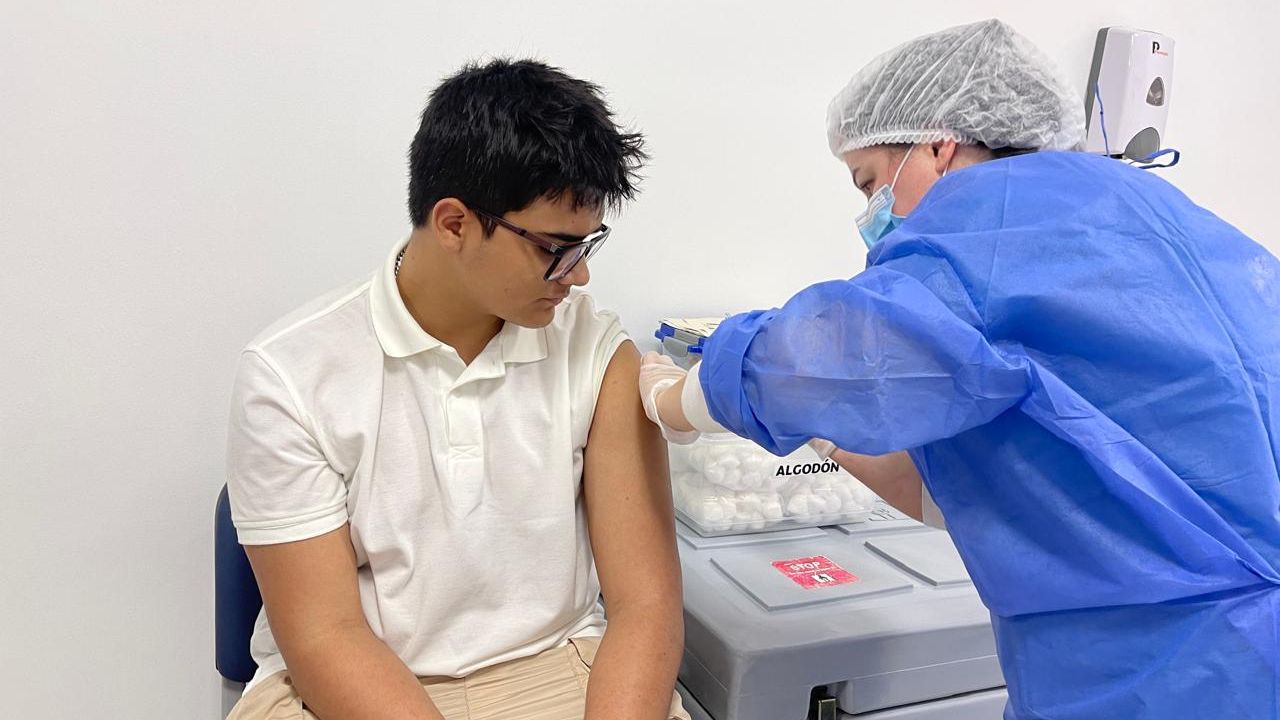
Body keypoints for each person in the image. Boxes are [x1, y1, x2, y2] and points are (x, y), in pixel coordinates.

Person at [640, 19, 1280, 720]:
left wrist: (673, 398)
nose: (871, 214)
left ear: (939, 146)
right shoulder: (1156, 214)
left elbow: (812, 357)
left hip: (1171, 669)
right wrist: (825, 436)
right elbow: (972, 493)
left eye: (869, 183)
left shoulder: (995, 228)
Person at [226, 58, 689, 720]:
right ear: (453, 224)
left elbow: (645, 605)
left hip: (556, 668)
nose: (578, 278)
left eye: (590, 246)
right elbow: (325, 636)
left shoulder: (597, 353)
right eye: (558, 248)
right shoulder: (290, 372)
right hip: (350, 682)